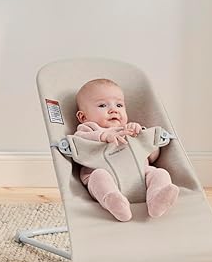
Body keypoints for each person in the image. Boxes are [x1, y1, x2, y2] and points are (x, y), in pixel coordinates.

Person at [74, 78, 179, 221]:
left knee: (160, 173)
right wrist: (104, 136)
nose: (113, 110)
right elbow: (79, 144)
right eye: (102, 105)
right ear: (83, 117)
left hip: (139, 176)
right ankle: (114, 202)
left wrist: (141, 137)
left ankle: (157, 199)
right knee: (98, 176)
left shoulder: (130, 129)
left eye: (119, 105)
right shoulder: (89, 129)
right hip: (107, 176)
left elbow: (153, 157)